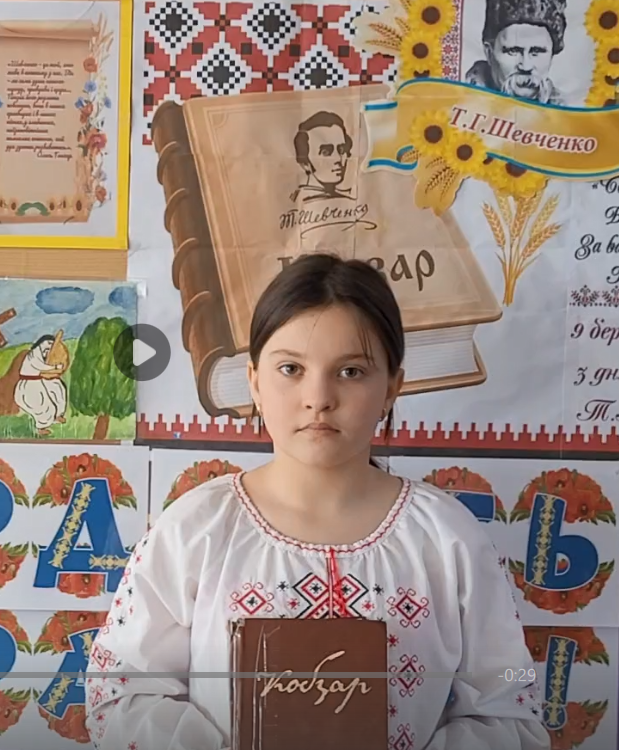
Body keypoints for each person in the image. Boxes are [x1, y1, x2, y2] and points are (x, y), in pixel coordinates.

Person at [84, 254, 549, 750]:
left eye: (351, 371)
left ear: (392, 387)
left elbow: (511, 702)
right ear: (255, 381)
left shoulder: (449, 539)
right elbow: (118, 691)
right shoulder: (195, 530)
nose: (318, 397)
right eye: (291, 368)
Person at [465, 0, 567, 105]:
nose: (526, 66)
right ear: (489, 53)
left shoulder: (565, 109)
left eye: (537, 51)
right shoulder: (463, 100)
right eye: (513, 51)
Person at [290, 111, 356, 202]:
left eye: (341, 150)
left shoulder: (347, 200)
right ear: (305, 164)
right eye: (326, 152)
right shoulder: (299, 202)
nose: (338, 159)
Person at [12, 334, 68, 435]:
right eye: (48, 343)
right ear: (41, 343)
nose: (50, 346)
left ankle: (58, 415)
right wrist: (55, 367)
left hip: (41, 380)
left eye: (52, 344)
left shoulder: (45, 353)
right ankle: (42, 427)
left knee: (58, 389)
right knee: (43, 404)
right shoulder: (34, 354)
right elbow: (40, 366)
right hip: (30, 384)